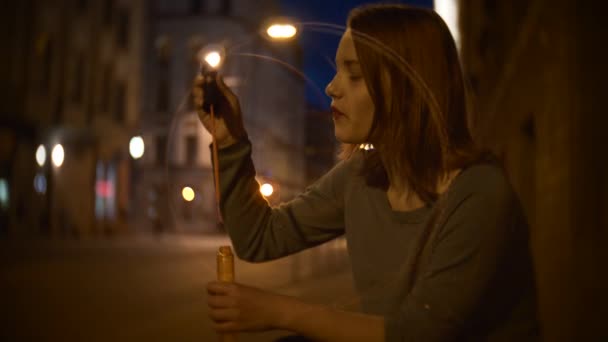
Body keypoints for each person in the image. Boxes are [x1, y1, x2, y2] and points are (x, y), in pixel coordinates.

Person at [193, 4, 540, 341]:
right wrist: (229, 141)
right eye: (337, 70)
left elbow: (418, 333)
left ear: (408, 88)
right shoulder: (362, 176)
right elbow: (260, 237)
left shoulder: (480, 194)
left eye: (354, 75)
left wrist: (279, 312)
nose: (332, 87)